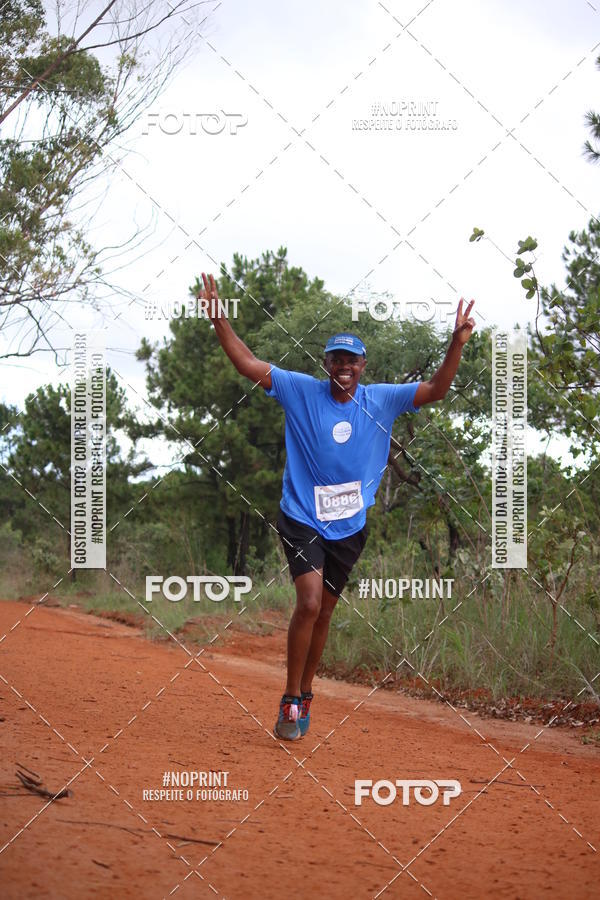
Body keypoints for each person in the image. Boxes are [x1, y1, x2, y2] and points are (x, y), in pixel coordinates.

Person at [199, 272, 475, 740]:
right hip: (302, 516)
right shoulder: (300, 390)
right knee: (308, 602)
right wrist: (218, 319)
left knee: (324, 612)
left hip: (349, 525)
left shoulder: (381, 400)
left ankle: (307, 693)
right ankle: (290, 699)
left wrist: (456, 344)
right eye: (336, 359)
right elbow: (246, 363)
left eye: (352, 360)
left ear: (363, 366)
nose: (344, 366)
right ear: (325, 363)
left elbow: (436, 390)